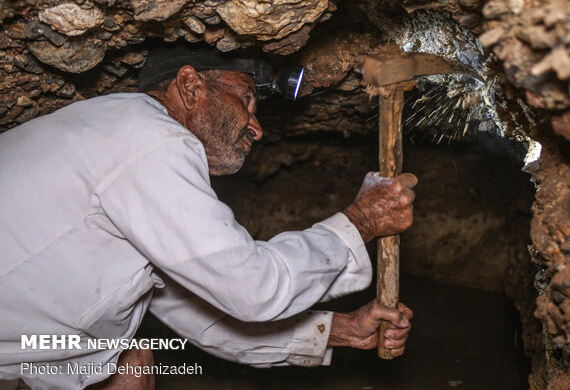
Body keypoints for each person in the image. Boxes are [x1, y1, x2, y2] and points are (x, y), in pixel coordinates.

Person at [0, 44, 418, 390]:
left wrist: (340, 330)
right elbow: (253, 289)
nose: (257, 128)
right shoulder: (152, 139)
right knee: (132, 365)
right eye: (246, 98)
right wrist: (361, 220)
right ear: (190, 85)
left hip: (18, 345)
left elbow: (205, 314)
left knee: (133, 362)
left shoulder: (119, 137)